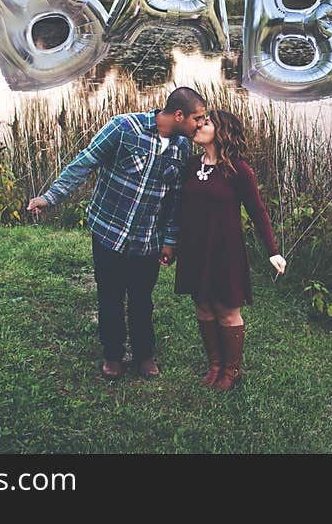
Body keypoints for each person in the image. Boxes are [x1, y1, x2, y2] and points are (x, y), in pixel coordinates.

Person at [26, 87, 207, 379]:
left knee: (141, 299)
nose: (201, 124)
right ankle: (113, 355)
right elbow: (85, 162)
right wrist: (51, 197)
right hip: (108, 231)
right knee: (109, 295)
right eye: (197, 118)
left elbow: (175, 200)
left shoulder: (182, 148)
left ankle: (144, 354)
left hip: (147, 239)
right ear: (178, 115)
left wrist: (170, 241)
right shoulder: (123, 127)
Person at [174, 109, 286, 391]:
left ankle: (231, 369)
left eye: (206, 122)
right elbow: (179, 208)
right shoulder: (190, 165)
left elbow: (257, 211)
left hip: (225, 250)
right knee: (202, 305)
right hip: (194, 248)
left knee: (226, 309)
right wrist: (171, 243)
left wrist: (273, 250)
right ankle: (214, 364)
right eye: (198, 121)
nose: (198, 125)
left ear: (221, 131)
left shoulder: (238, 170)